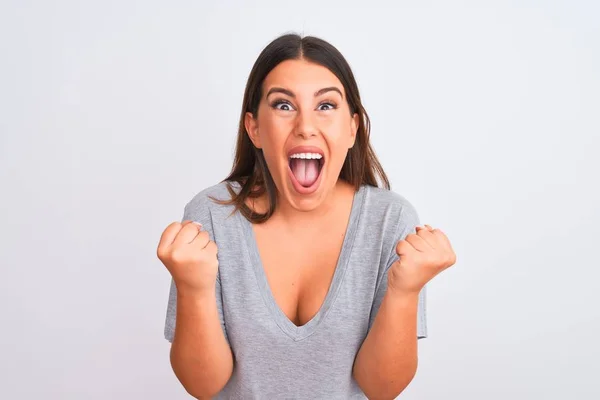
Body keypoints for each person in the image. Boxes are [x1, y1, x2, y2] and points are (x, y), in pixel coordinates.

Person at [157, 33, 456, 399]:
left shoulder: (389, 221)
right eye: (283, 105)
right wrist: (194, 288)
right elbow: (203, 386)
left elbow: (382, 388)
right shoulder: (211, 215)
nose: (305, 126)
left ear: (352, 127)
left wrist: (404, 290)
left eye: (326, 106)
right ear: (254, 128)